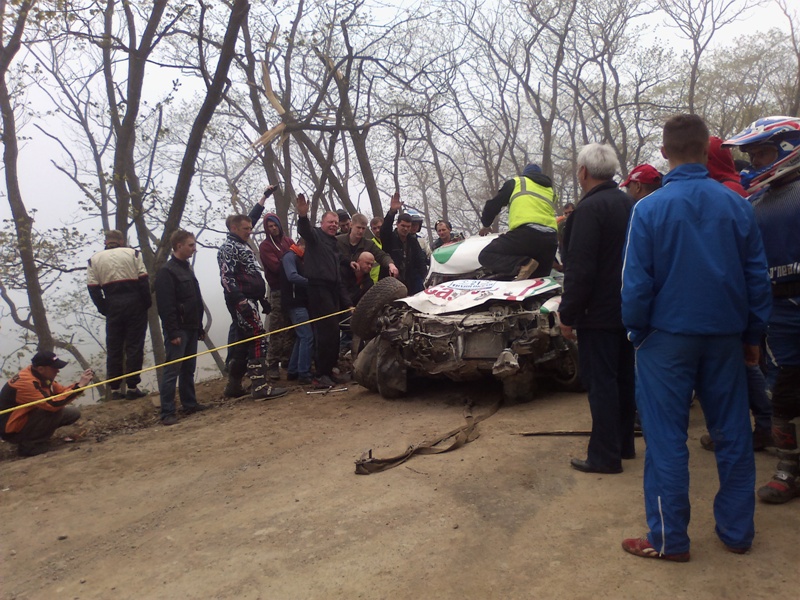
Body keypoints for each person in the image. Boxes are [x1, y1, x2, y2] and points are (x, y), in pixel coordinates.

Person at [621, 114, 772, 561]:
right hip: (725, 337)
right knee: (732, 434)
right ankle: (737, 532)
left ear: (664, 153)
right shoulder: (738, 205)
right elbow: (755, 277)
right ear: (709, 149)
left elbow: (635, 285)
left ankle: (669, 540)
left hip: (665, 338)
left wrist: (636, 330)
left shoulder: (648, 209)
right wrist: (752, 334)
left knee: (666, 438)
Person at [724, 116, 800, 504]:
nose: (755, 161)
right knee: (783, 389)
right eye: (752, 154)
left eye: (764, 152)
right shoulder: (753, 202)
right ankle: (787, 469)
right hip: (777, 307)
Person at [559, 143, 636, 475]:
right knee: (623, 378)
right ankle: (623, 445)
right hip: (629, 307)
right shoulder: (628, 203)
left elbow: (581, 269)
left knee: (601, 381)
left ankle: (605, 455)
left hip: (597, 312)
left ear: (583, 172)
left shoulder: (588, 211)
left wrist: (568, 313)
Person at [701, 136, 773, 451]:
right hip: (741, 299)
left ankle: (753, 428)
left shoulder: (727, 193)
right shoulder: (734, 189)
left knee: (741, 368)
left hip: (731, 302)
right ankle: (765, 424)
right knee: (747, 366)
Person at [218, 213, 287, 401]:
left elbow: (250, 274)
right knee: (257, 336)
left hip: (252, 297)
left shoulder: (242, 245)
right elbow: (227, 277)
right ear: (234, 228)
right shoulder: (228, 247)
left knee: (243, 342)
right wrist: (240, 301)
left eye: (250, 228)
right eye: (245, 229)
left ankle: (233, 385)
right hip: (241, 300)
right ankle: (260, 385)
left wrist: (262, 299)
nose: (249, 232)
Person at [297, 194, 354, 388]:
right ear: (322, 223)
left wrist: (348, 303)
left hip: (332, 289)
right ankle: (320, 374)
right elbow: (305, 230)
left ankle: (329, 370)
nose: (333, 225)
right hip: (318, 288)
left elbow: (338, 273)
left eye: (335, 223)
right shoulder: (315, 237)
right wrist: (303, 215)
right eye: (330, 222)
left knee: (334, 332)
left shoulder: (334, 243)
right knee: (324, 332)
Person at [87, 229, 151, 400]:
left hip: (112, 303)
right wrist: (146, 303)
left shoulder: (94, 260)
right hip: (135, 302)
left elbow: (93, 289)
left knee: (114, 346)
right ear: (122, 241)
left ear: (106, 241)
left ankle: (115, 389)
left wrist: (104, 308)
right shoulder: (134, 254)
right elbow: (144, 280)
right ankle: (132, 386)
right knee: (134, 345)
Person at [154, 230, 209, 426]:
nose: (194, 249)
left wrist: (199, 326)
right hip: (178, 330)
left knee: (188, 369)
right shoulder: (167, 272)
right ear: (179, 246)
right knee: (172, 371)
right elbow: (166, 306)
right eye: (191, 245)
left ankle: (190, 404)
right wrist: (172, 331)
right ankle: (167, 411)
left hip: (192, 327)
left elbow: (194, 300)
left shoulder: (187, 269)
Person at [0, 351, 94, 457]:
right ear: (41, 368)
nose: (57, 371)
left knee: (73, 413)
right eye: (54, 368)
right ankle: (30, 446)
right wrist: (79, 387)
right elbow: (52, 405)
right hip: (11, 429)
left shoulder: (40, 376)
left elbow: (61, 392)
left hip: (25, 417)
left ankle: (37, 436)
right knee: (54, 411)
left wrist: (80, 384)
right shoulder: (27, 382)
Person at [477, 163, 558, 280]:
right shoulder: (551, 190)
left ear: (525, 174)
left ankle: (524, 263)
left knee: (486, 255)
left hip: (526, 234)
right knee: (536, 284)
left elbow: (493, 205)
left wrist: (486, 224)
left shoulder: (518, 182)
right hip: (550, 241)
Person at [258, 205, 295, 381]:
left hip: (293, 288)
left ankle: (287, 360)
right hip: (278, 289)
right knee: (277, 327)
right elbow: (275, 266)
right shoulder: (265, 246)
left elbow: (299, 255)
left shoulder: (288, 241)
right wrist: (289, 261)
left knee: (291, 325)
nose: (273, 228)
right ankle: (272, 364)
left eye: (275, 225)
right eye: (269, 226)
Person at [280, 239, 313, 385]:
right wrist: (311, 282)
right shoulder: (290, 256)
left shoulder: (298, 258)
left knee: (301, 337)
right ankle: (304, 373)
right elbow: (292, 276)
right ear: (300, 245)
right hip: (294, 303)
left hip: (300, 302)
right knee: (307, 336)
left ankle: (293, 370)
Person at [380, 193, 427, 294]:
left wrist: (424, 278)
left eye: (408, 226)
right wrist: (392, 212)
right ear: (397, 224)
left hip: (409, 283)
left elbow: (420, 261)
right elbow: (385, 229)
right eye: (403, 226)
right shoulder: (390, 237)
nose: (405, 229)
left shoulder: (413, 241)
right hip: (389, 283)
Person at [336, 213, 398, 278]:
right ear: (351, 225)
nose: (360, 231)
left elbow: (382, 256)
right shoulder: (338, 241)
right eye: (358, 227)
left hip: (362, 282)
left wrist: (391, 265)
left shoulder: (368, 244)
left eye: (363, 228)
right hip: (340, 280)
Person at [369, 216, 386, 283]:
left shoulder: (390, 241)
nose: (377, 230)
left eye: (379, 227)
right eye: (374, 228)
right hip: (374, 281)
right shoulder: (370, 244)